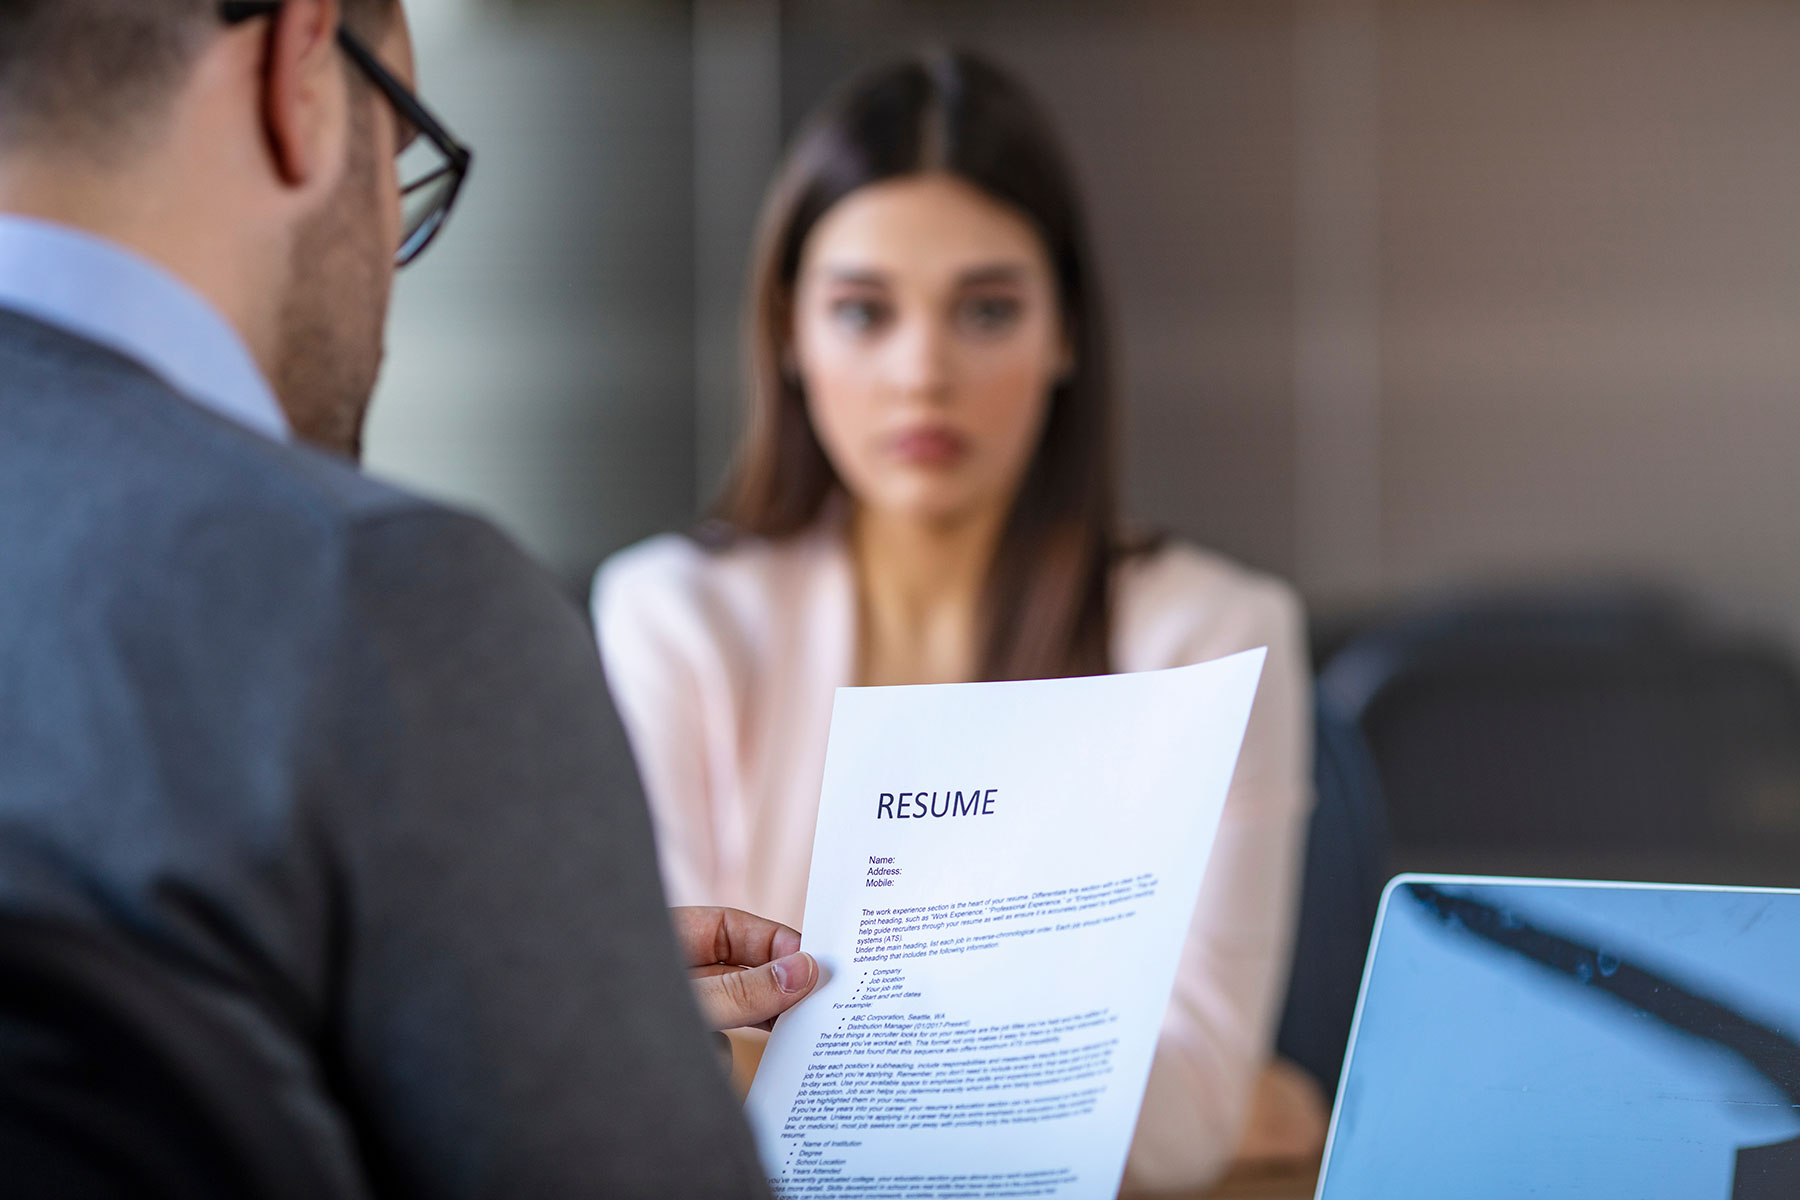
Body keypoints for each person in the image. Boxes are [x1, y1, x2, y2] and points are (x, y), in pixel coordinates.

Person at [0, 1, 809, 1195]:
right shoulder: (382, 598)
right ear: (299, 71)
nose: (389, 253)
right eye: (402, 154)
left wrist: (549, 1032)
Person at [595, 50, 1325, 1193]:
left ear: (1066, 335)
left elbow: (1186, 1123)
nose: (922, 371)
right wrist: (1149, 1098)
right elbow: (648, 1064)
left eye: (987, 309)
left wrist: (779, 1072)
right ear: (789, 331)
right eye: (862, 310)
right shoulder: (672, 619)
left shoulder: (1216, 633)